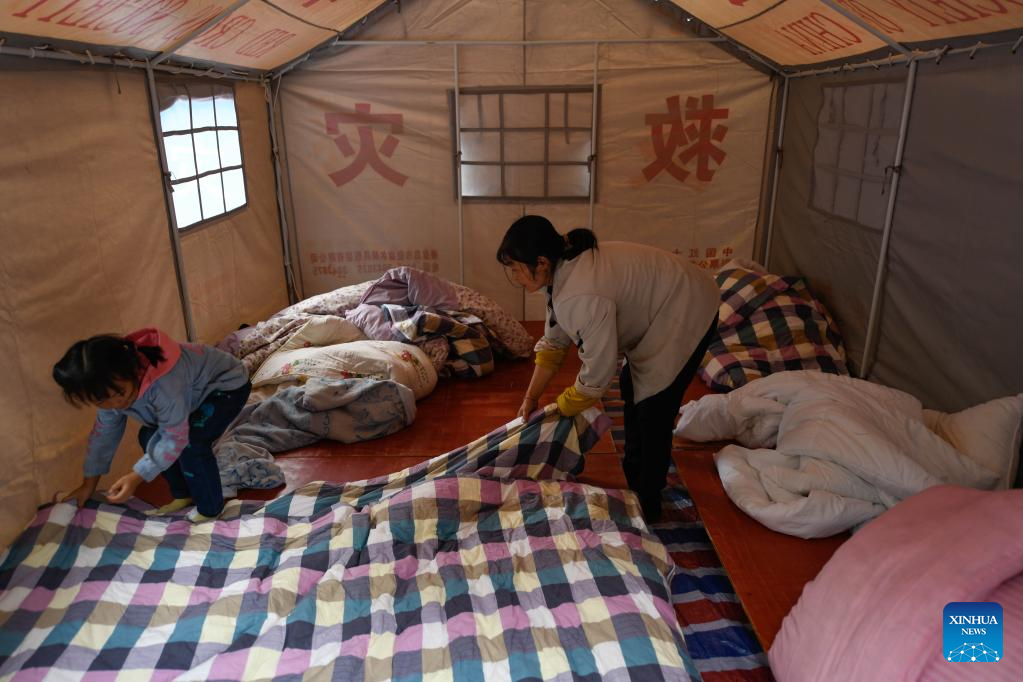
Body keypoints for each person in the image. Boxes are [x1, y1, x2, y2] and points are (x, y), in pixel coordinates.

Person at [497, 215, 719, 523]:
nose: (515, 277)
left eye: (516, 269)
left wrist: (559, 409)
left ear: (542, 262)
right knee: (632, 387)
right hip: (664, 303)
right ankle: (635, 478)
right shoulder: (562, 274)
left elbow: (596, 379)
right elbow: (553, 346)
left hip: (687, 303)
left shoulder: (580, 292)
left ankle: (649, 500)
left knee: (654, 407)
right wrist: (530, 398)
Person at [53, 328, 251, 522]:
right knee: (147, 436)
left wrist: (137, 476)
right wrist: (88, 485)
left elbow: (175, 437)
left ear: (132, 370)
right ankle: (183, 494)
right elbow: (103, 437)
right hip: (192, 396)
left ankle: (210, 509)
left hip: (226, 387)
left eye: (120, 393)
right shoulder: (110, 390)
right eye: (101, 401)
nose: (116, 404)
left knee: (192, 442)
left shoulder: (164, 382)